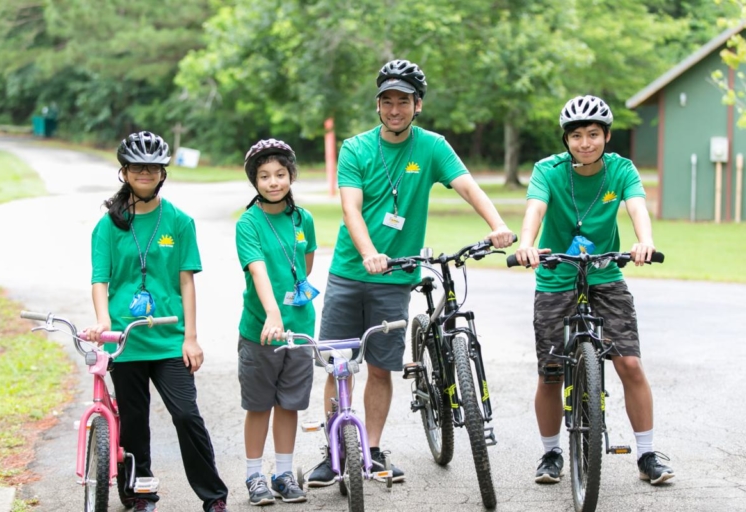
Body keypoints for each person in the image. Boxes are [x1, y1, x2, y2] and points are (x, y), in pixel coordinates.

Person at [307, 59, 515, 487]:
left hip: (396, 278)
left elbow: (468, 186)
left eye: (403, 101)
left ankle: (373, 448)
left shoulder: (433, 146)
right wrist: (368, 252)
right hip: (350, 272)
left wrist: (497, 225)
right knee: (338, 366)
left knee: (382, 368)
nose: (395, 109)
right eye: (387, 101)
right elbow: (351, 208)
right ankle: (333, 452)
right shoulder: (356, 148)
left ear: (417, 105)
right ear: (378, 104)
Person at [513, 95, 675, 486]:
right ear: (566, 140)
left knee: (630, 364)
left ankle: (647, 453)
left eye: (593, 135)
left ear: (606, 136)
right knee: (551, 372)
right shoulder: (548, 170)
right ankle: (551, 452)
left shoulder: (620, 170)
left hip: (605, 276)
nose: (585, 143)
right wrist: (526, 243)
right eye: (576, 136)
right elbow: (535, 208)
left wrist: (644, 241)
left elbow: (636, 205)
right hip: (556, 277)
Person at [85, 131, 230, 512]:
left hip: (169, 340)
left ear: (163, 173)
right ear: (125, 172)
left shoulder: (179, 222)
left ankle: (213, 497)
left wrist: (192, 338)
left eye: (153, 167)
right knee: (134, 422)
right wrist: (104, 322)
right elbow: (100, 279)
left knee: (186, 414)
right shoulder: (108, 226)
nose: (145, 172)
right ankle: (140, 494)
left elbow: (186, 282)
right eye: (137, 167)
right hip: (125, 340)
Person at [236, 139, 317, 506]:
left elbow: (306, 261)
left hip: (299, 328)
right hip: (261, 330)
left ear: (291, 176)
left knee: (290, 403)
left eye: (280, 174)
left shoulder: (304, 219)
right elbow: (259, 271)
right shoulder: (248, 223)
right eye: (265, 176)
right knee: (259, 404)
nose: (273, 182)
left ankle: (283, 473)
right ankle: (254, 475)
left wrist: (290, 311)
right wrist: (273, 314)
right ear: (255, 181)